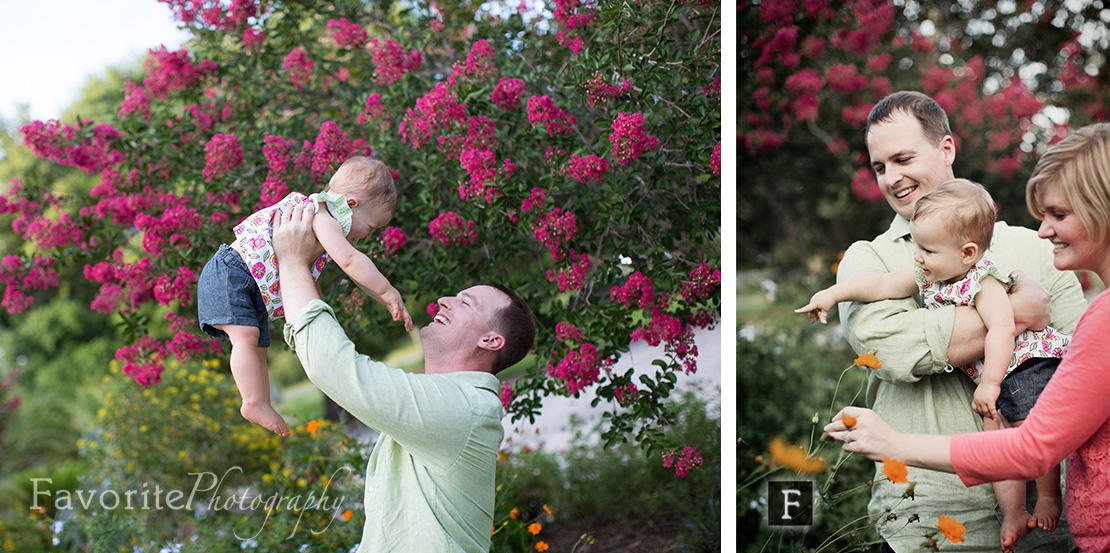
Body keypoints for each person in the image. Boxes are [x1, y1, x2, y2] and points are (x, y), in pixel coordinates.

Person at [825, 122, 1110, 553]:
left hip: (1052, 535)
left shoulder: (1033, 246)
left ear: (946, 149)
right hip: (931, 524)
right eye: (879, 167)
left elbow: (1075, 367)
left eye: (902, 159)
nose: (891, 177)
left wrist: (894, 442)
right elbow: (895, 351)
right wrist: (1020, 311)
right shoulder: (870, 257)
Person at [797, 178, 1071, 531]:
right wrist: (833, 294)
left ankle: (1049, 497)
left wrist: (989, 384)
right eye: (917, 246)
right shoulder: (932, 272)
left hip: (1025, 365)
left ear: (967, 252)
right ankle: (1014, 512)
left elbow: (1003, 329)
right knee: (995, 445)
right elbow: (882, 284)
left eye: (927, 249)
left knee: (1028, 427)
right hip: (994, 374)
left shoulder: (984, 282)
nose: (918, 256)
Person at [271, 199, 536, 553]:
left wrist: (291, 262)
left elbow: (334, 368)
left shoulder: (463, 409)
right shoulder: (450, 403)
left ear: (490, 340)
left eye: (465, 303)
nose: (444, 300)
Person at [197, 156, 414, 437]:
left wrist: (384, 298)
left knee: (258, 347)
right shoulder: (322, 215)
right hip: (232, 272)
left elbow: (355, 274)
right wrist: (388, 290)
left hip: (252, 284)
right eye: (371, 228)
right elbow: (350, 262)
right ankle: (253, 402)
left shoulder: (321, 218)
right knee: (246, 338)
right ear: (351, 205)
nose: (367, 236)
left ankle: (259, 401)